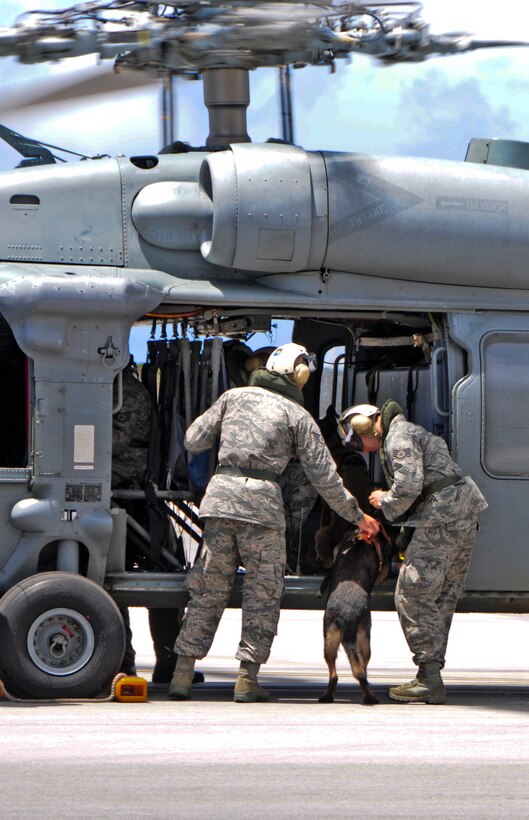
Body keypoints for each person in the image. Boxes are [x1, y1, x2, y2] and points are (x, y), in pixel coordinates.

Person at [170, 342, 380, 702]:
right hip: (262, 511)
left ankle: (181, 675)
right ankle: (246, 679)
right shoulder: (297, 416)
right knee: (262, 594)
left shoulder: (232, 397)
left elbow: (192, 439)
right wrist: (357, 516)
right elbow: (326, 479)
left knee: (208, 590)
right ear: (296, 374)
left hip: (219, 502)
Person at [338, 400, 488, 704]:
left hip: (442, 519)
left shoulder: (397, 438)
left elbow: (408, 487)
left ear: (369, 425)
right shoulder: (404, 433)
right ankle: (430, 675)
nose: (361, 447)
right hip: (460, 517)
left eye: (358, 438)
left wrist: (384, 500)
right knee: (440, 597)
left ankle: (429, 678)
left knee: (412, 593)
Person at [112, 358, 201, 685]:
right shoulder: (114, 386)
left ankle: (168, 661)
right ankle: (123, 663)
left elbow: (116, 440)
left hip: (132, 494)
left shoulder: (126, 391)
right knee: (111, 582)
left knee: (162, 576)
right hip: (120, 494)